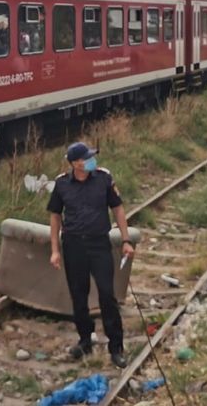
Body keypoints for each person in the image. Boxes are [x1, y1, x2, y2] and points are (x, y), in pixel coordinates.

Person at [46, 142, 135, 368]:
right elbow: (55, 216)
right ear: (75, 163)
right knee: (78, 295)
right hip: (73, 246)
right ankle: (85, 340)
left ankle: (116, 347)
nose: (92, 160)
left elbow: (118, 208)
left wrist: (125, 240)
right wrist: (55, 250)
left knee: (107, 294)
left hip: (99, 245)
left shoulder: (104, 179)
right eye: (87, 158)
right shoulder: (62, 184)